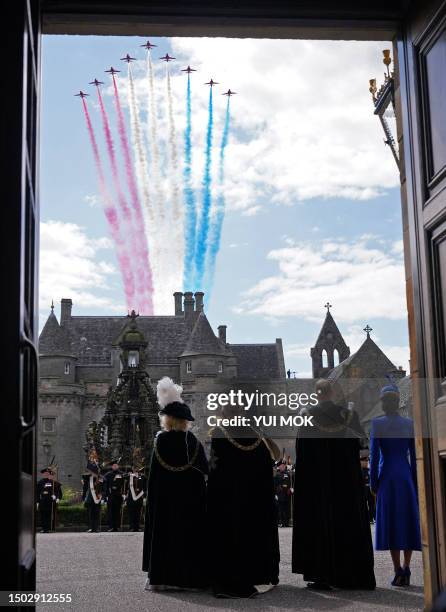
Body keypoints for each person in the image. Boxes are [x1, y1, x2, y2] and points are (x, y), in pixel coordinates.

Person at [292, 378, 376, 590]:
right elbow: (363, 448)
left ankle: (322, 575)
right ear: (333, 393)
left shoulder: (306, 416)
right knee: (347, 522)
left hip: (317, 483)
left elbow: (302, 453)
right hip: (345, 482)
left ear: (317, 394)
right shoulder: (349, 414)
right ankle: (351, 574)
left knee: (319, 523)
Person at [142, 377, 209, 592]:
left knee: (164, 536)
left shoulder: (160, 441)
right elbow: (205, 471)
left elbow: (154, 475)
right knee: (189, 537)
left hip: (165, 500)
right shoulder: (194, 442)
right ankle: (191, 578)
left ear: (167, 420)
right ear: (185, 422)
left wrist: (151, 499)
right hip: (190, 501)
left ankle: (162, 577)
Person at [207, 403, 280, 598]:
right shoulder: (256, 435)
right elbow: (267, 467)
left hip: (229, 501)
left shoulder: (219, 433)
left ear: (223, 413)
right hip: (255, 501)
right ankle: (259, 573)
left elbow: (215, 469)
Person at [370, 383, 421, 587]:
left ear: (383, 403)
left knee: (392, 523)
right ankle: (407, 568)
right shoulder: (409, 424)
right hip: (406, 476)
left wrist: (373, 483)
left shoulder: (377, 424)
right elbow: (416, 457)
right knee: (407, 522)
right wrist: (416, 484)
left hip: (387, 477)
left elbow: (373, 458)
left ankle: (397, 569)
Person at [36, 468, 62, 533]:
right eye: (45, 473)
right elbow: (37, 493)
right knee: (43, 516)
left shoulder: (54, 482)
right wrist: (37, 501)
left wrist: (57, 498)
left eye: (48, 474)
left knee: (51, 515)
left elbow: (59, 492)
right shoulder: (40, 482)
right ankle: (44, 529)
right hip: (43, 502)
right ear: (43, 474)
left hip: (51, 502)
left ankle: (51, 528)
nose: (46, 475)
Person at [82, 462, 105, 533]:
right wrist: (84, 497)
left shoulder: (101, 478)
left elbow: (103, 488)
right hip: (90, 498)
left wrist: (103, 497)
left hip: (98, 497)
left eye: (92, 472)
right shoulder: (88, 478)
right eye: (91, 471)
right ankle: (91, 528)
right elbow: (85, 488)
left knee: (97, 513)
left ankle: (97, 528)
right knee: (90, 513)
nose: (91, 473)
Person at [104, 459, 125, 532]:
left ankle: (117, 527)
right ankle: (111, 527)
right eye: (114, 465)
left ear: (118, 466)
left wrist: (124, 494)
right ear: (112, 466)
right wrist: (105, 495)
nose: (115, 466)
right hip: (111, 496)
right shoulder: (108, 474)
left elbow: (125, 484)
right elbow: (105, 485)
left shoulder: (122, 474)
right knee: (111, 512)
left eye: (116, 465)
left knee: (117, 511)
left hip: (119, 495)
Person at [126, 467, 147, 532]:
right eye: (134, 468)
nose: (135, 469)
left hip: (139, 497)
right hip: (131, 497)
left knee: (138, 513)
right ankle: (131, 527)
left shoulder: (143, 476)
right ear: (132, 469)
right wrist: (128, 474)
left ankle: (137, 527)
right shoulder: (130, 476)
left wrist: (144, 496)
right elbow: (122, 477)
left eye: (137, 468)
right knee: (131, 512)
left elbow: (145, 487)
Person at [274, 461, 292, 527]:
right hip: (280, 494)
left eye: (284, 465)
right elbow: (275, 485)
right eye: (281, 465)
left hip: (286, 494)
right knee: (280, 509)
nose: (283, 466)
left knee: (287, 508)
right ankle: (281, 522)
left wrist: (290, 488)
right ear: (279, 467)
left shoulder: (288, 474)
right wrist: (275, 494)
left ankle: (286, 522)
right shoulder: (277, 475)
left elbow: (290, 483)